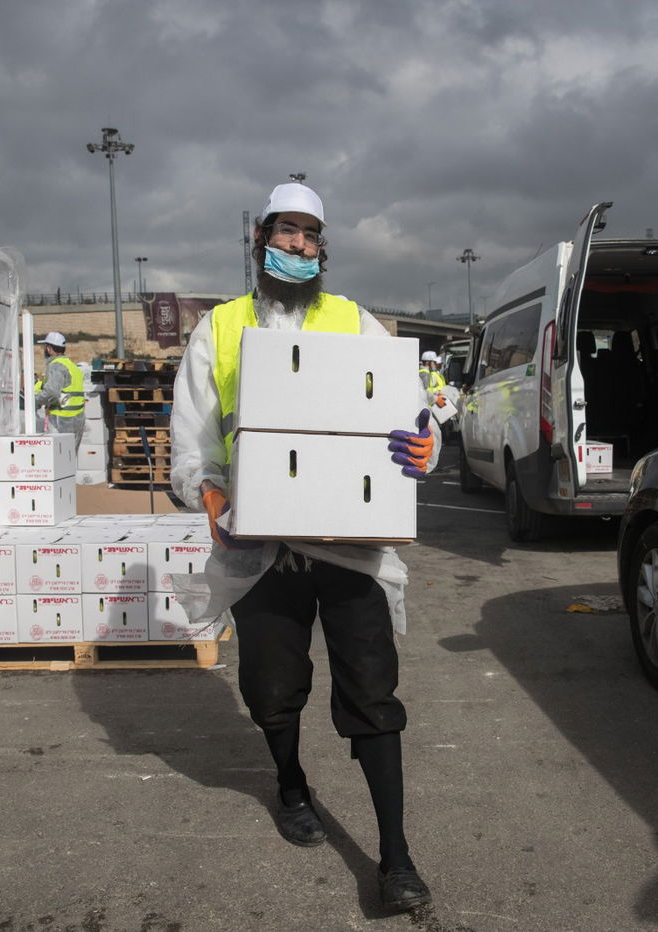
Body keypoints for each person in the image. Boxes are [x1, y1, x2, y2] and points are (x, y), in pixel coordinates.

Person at [168, 181, 438, 913]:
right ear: (260, 239)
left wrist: (426, 445)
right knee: (270, 686)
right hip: (261, 547)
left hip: (352, 544)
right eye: (285, 231)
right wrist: (208, 493)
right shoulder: (221, 328)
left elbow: (413, 411)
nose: (297, 244)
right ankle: (291, 785)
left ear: (322, 249)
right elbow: (193, 437)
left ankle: (397, 858)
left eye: (310, 235)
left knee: (373, 693)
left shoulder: (355, 321)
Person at [33, 332, 87, 436]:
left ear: (49, 348)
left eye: (45, 347)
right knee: (71, 447)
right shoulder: (72, 366)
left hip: (61, 419)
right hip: (78, 419)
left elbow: (52, 393)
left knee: (58, 447)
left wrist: (35, 401)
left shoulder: (56, 366)